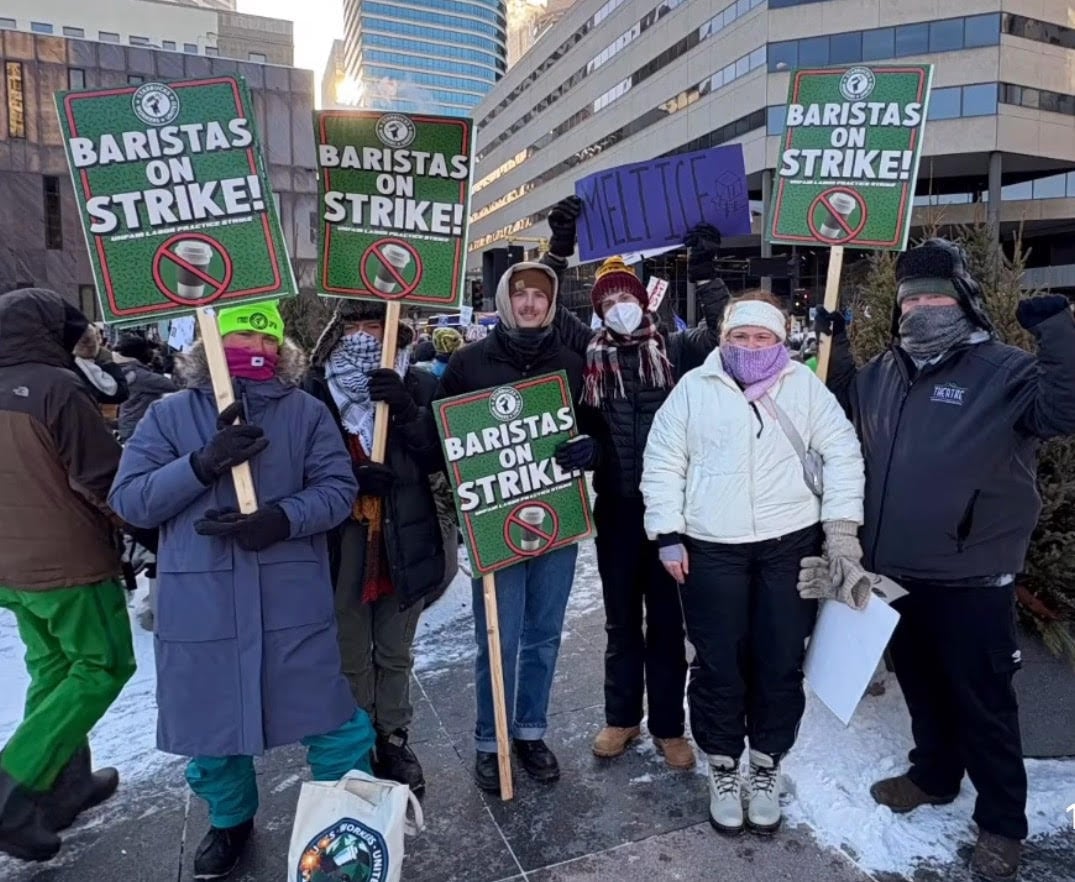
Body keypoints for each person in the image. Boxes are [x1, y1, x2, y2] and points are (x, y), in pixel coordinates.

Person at [811, 239, 1075, 882]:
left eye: (934, 296)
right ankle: (933, 777)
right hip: (896, 572)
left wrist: (1061, 335)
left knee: (983, 703)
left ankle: (1003, 824)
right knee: (925, 691)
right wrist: (838, 345)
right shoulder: (885, 373)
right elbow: (843, 405)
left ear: (963, 302)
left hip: (971, 577)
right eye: (911, 300)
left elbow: (1063, 410)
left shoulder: (1005, 371)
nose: (921, 309)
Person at [109, 300, 373, 880]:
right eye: (235, 338)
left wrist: (282, 518)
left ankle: (345, 817)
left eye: (265, 338)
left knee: (332, 720)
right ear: (204, 348)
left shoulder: (305, 413)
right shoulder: (169, 415)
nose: (253, 348)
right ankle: (230, 820)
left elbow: (336, 489)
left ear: (283, 350)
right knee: (213, 729)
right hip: (202, 609)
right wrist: (200, 465)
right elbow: (129, 500)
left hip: (290, 604)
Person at [641, 293, 865, 836]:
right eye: (740, 336)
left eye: (762, 336)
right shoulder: (694, 388)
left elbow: (842, 452)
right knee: (718, 660)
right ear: (723, 339)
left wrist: (841, 532)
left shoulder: (805, 386)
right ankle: (722, 764)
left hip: (789, 544)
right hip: (712, 546)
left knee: (781, 658)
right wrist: (667, 532)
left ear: (780, 340)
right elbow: (664, 459)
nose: (750, 346)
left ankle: (765, 763)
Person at [542, 198, 733, 769]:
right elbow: (546, 306)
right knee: (623, 621)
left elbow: (726, 332)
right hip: (619, 511)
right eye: (609, 301)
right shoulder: (588, 351)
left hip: (672, 515)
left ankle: (671, 729)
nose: (619, 306)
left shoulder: (674, 349)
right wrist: (559, 247)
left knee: (669, 624)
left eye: (626, 296)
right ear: (598, 311)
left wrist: (707, 274)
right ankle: (621, 718)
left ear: (642, 299)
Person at [436, 260, 587, 793]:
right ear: (504, 300)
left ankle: (529, 730)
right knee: (496, 636)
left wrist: (587, 451)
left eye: (539, 296)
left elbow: (588, 426)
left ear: (551, 304)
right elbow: (442, 440)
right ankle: (489, 738)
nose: (529, 304)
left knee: (543, 633)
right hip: (494, 522)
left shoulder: (572, 361)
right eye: (519, 294)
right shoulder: (470, 363)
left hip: (554, 520)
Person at [0, 288, 136, 862]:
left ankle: (64, 786)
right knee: (103, 664)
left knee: (54, 667)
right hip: (69, 561)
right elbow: (103, 480)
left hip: (11, 565)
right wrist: (144, 524)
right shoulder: (57, 388)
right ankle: (11, 787)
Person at [305, 299, 447, 797]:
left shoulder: (419, 383)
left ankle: (393, 736)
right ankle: (357, 737)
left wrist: (408, 412)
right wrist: (349, 481)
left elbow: (438, 455)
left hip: (403, 540)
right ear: (337, 332)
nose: (367, 335)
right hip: (343, 543)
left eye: (378, 324)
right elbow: (301, 465)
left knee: (394, 650)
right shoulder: (316, 389)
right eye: (357, 324)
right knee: (349, 653)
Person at [113, 333, 177, 442]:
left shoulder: (124, 368)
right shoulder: (137, 375)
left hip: (131, 426)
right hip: (137, 430)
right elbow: (173, 385)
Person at [72, 323, 129, 407]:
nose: (93, 344)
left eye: (95, 338)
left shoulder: (75, 365)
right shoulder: (75, 370)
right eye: (86, 341)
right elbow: (121, 393)